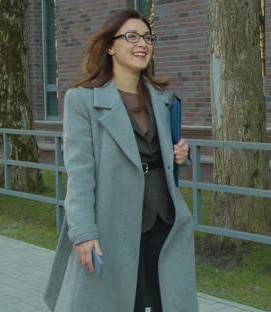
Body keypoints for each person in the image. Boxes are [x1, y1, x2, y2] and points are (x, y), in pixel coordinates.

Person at [44, 8, 198, 312]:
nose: (142, 43)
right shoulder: (83, 101)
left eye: (147, 37)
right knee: (124, 303)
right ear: (111, 46)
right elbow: (79, 174)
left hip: (163, 220)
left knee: (169, 300)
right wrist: (84, 232)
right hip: (114, 224)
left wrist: (181, 153)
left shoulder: (161, 97)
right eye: (131, 36)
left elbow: (162, 153)